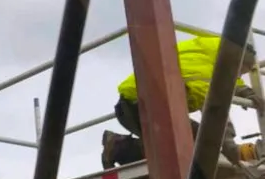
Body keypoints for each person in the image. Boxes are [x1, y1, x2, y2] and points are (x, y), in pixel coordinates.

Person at [101, 34, 262, 170]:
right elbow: (215, 110)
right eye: (241, 72)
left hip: (151, 105)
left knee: (199, 141)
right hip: (137, 106)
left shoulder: (209, 54)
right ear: (237, 61)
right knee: (179, 150)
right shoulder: (205, 69)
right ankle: (118, 148)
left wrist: (245, 91)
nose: (239, 77)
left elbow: (224, 78)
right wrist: (229, 145)